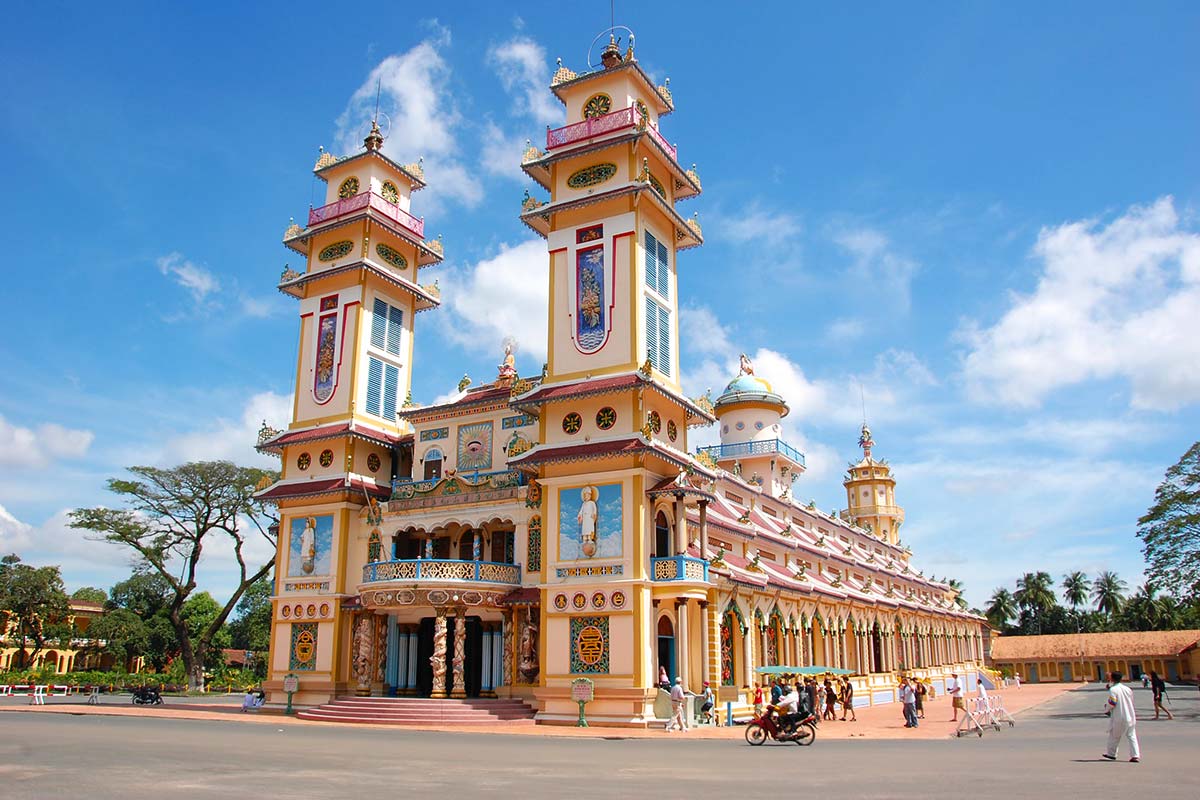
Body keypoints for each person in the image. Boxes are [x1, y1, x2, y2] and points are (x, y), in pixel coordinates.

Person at [1103, 671, 1140, 762]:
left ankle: (1111, 754)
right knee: (1132, 735)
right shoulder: (1127, 689)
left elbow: (1112, 702)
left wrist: (1107, 708)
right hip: (1130, 715)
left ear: (1112, 678)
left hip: (1119, 716)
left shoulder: (1113, 689)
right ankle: (1135, 755)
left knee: (1114, 735)